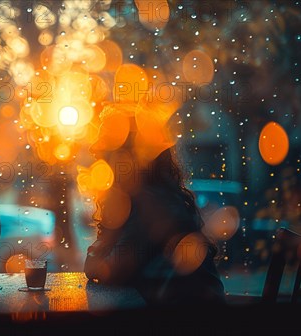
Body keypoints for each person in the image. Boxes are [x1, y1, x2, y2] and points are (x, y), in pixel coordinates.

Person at [83, 111, 226, 306]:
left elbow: (104, 270)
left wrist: (100, 249)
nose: (94, 150)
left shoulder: (149, 203)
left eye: (105, 145)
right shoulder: (151, 197)